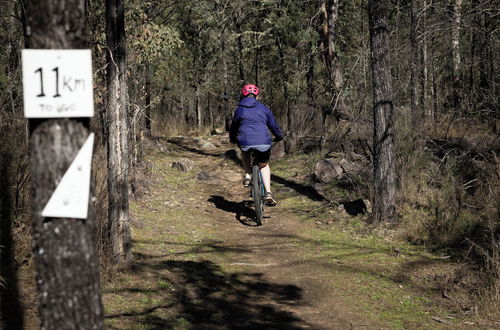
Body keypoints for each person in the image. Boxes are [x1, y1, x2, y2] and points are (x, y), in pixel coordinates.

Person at [229, 84, 284, 206]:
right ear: (257, 96)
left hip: (245, 142)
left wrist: (232, 139)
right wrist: (279, 136)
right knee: (263, 165)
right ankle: (268, 193)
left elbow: (233, 128)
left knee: (244, 151)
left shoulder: (239, 109)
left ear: (243, 95)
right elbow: (273, 125)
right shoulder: (264, 108)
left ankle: (248, 174)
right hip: (263, 141)